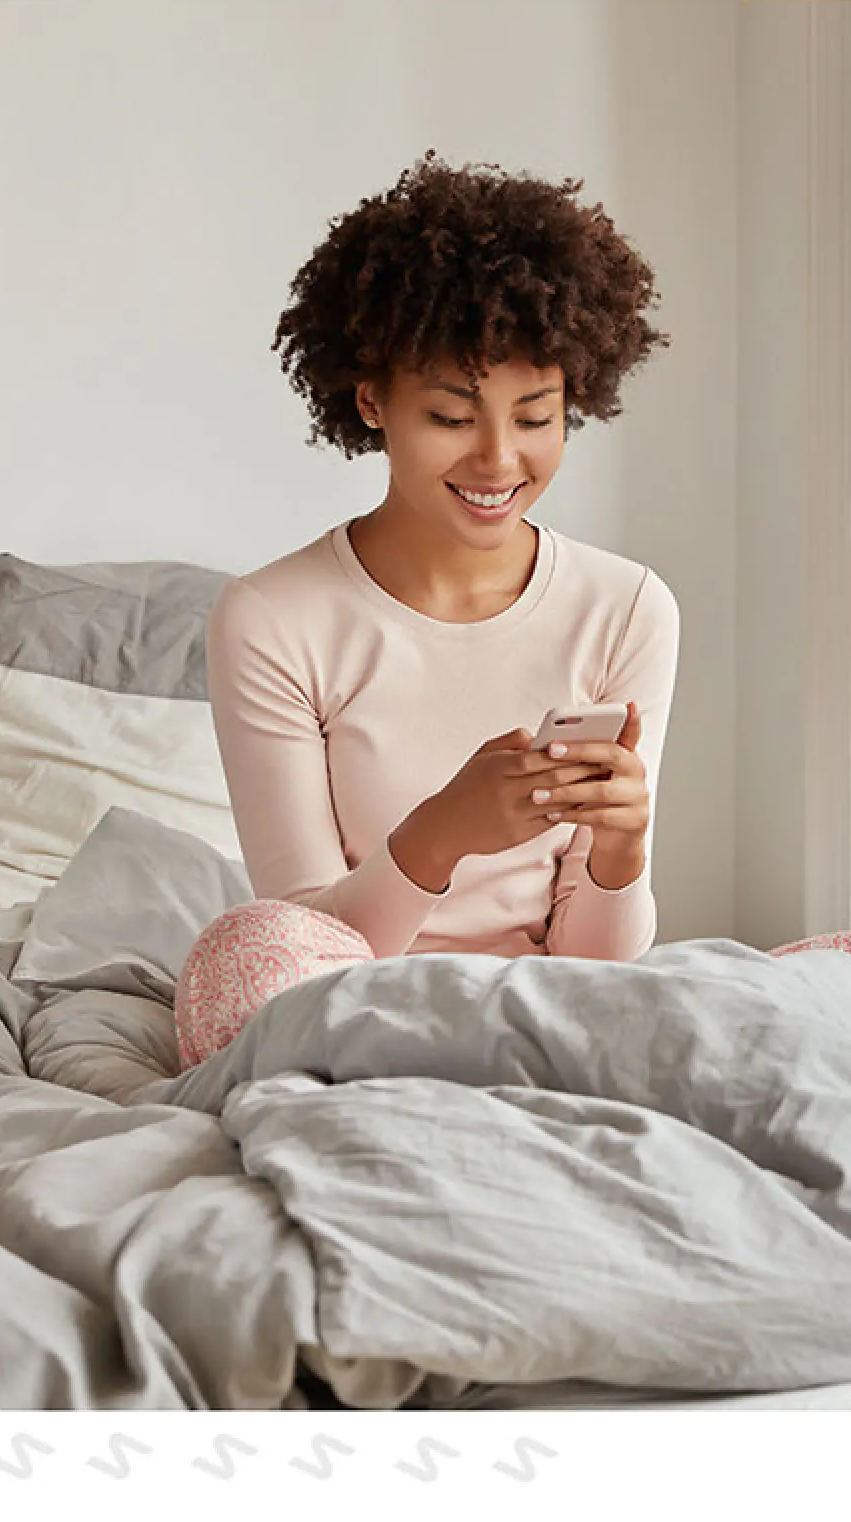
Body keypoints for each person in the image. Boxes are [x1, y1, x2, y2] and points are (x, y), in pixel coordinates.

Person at [202, 150, 681, 966]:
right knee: (248, 952)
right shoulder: (272, 620)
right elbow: (303, 962)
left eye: (535, 418)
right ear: (372, 403)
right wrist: (439, 836)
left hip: (551, 1023)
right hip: (356, 1019)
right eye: (452, 418)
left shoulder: (627, 607)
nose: (498, 461)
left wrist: (620, 853)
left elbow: (599, 974)